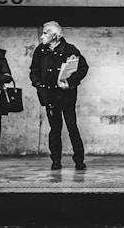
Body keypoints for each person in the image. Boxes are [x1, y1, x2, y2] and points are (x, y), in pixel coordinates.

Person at [30, 21, 89, 170]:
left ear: (54, 36)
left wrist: (70, 82)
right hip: (49, 95)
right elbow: (34, 70)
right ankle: (55, 160)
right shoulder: (40, 50)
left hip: (66, 95)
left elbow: (83, 68)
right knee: (55, 128)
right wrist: (39, 84)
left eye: (45, 33)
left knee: (71, 126)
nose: (41, 36)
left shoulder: (70, 49)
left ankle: (79, 159)